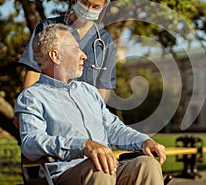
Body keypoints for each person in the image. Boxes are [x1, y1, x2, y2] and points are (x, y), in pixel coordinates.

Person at [14, 23, 166, 185]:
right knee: (99, 167)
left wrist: (144, 141)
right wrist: (83, 145)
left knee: (147, 165)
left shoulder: (89, 92)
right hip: (67, 174)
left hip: (110, 168)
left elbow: (113, 128)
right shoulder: (32, 97)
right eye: (75, 49)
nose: (84, 55)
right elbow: (31, 143)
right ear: (55, 56)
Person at [18, 0, 115, 101]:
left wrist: (96, 116)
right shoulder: (47, 28)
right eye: (85, 2)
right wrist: (27, 108)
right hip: (49, 105)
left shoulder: (104, 40)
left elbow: (103, 87)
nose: (88, 9)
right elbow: (33, 73)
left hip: (85, 112)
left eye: (96, 7)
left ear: (103, 7)